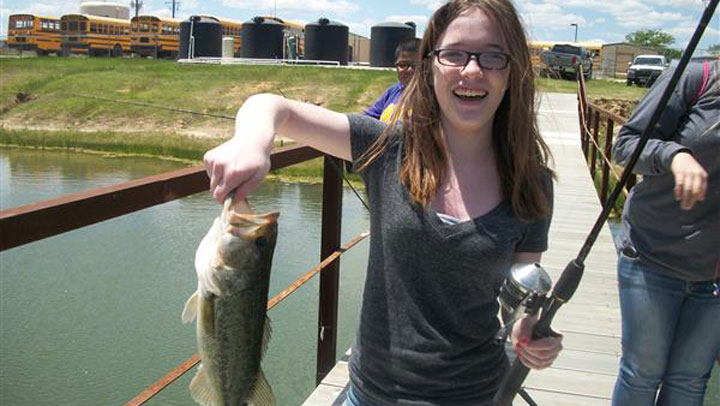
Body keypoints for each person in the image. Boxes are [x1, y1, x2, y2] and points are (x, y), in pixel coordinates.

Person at [203, 0, 564, 404]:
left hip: (475, 394)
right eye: (454, 54)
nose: (472, 70)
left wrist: (525, 327)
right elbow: (271, 106)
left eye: (493, 56)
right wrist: (252, 142)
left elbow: (522, 290)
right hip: (372, 394)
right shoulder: (386, 148)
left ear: (513, 71)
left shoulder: (532, 184)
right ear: (430, 66)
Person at [611, 58, 719, 406]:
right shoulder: (696, 77)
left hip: (713, 275)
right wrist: (674, 155)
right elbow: (625, 145)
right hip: (651, 255)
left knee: (690, 383)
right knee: (641, 374)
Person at [364, 37, 421, 124]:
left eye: (415, 65)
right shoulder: (393, 91)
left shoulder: (434, 97)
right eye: (403, 65)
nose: (409, 70)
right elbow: (368, 119)